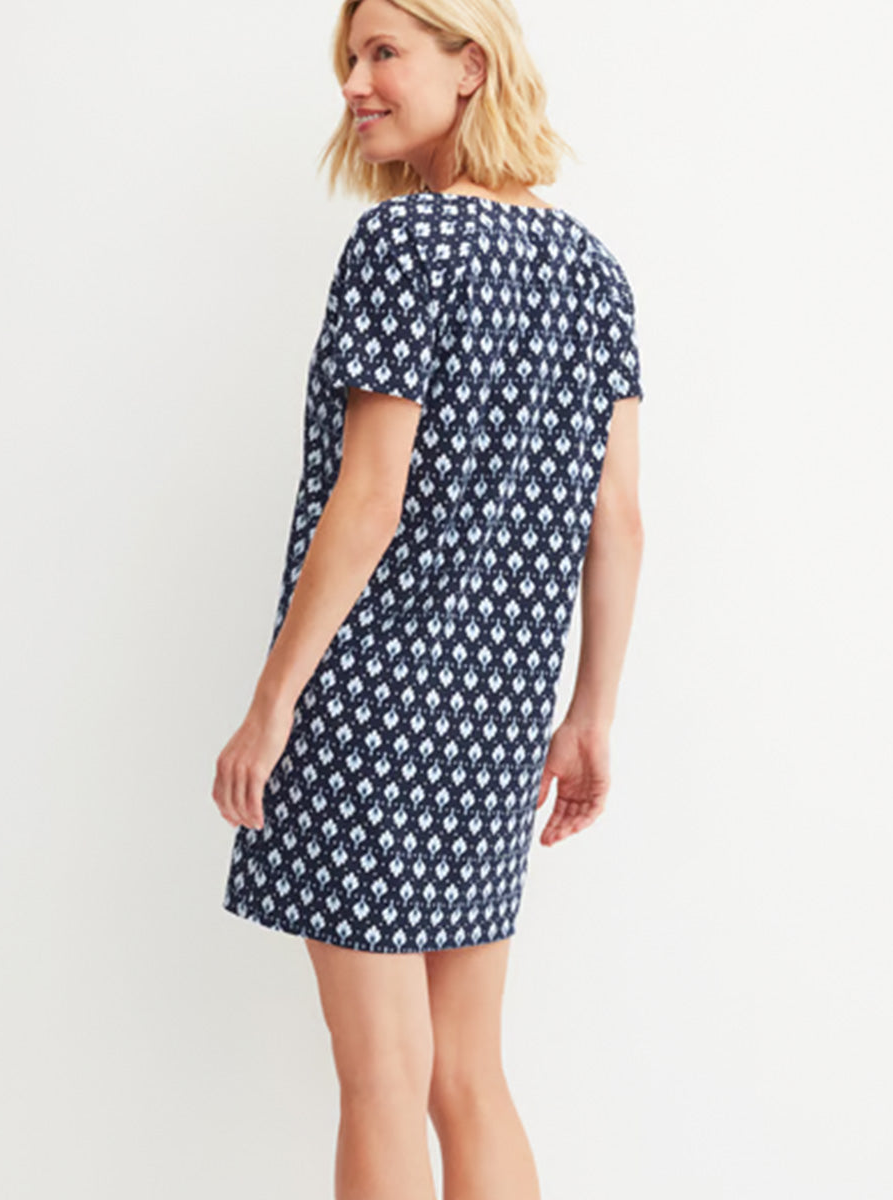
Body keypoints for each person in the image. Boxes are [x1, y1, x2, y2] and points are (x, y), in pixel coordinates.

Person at [212, 0, 645, 1195]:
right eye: (350, 58)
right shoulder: (594, 272)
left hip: (368, 708)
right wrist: (590, 713)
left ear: (472, 66)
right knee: (468, 1074)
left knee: (383, 1078)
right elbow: (619, 519)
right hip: (495, 721)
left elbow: (370, 500)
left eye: (384, 53)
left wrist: (271, 705)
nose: (356, 82)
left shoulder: (401, 245)